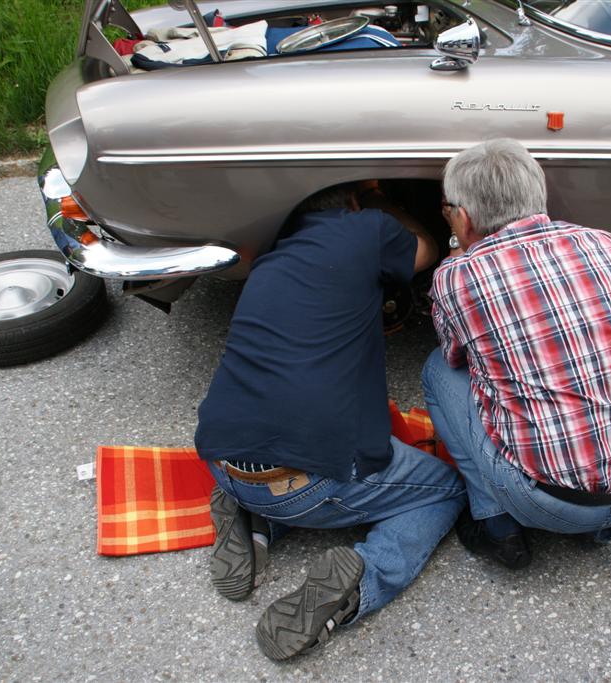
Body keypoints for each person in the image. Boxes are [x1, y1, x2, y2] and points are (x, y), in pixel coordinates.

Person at [194, 182, 466, 661]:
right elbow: (423, 250)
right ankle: (363, 581)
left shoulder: (271, 254)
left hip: (221, 460)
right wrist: (385, 204)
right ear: (355, 202)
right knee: (447, 490)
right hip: (307, 482)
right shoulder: (366, 228)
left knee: (287, 452)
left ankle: (253, 523)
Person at [422, 138, 611, 584]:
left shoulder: (456, 277)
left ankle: (498, 526)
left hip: (547, 502)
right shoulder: (608, 245)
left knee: (437, 370)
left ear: (462, 217)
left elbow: (458, 357)